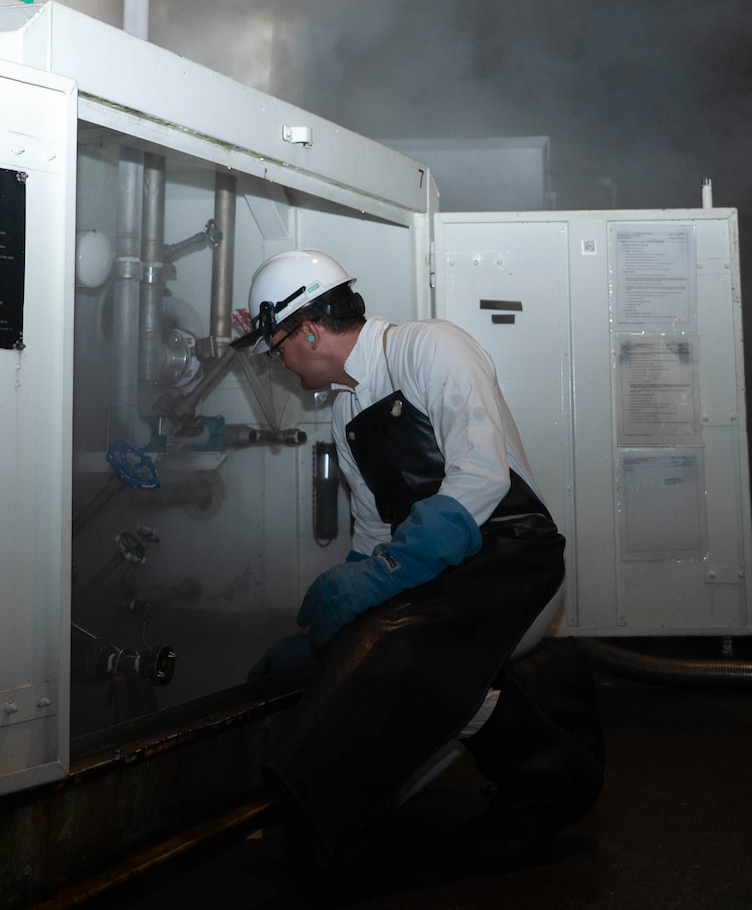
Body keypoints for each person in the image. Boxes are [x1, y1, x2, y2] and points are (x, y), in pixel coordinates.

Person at [235, 248, 603, 870]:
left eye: (277, 348)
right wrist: (353, 596)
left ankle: (551, 782)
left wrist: (381, 581)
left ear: (310, 331)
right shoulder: (348, 415)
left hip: (513, 556)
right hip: (443, 572)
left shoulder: (430, 348)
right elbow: (379, 533)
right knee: (361, 647)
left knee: (399, 656)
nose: (279, 363)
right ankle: (343, 815)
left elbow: (482, 478)